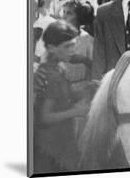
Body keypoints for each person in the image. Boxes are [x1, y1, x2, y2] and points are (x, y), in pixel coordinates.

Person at [33, 20, 89, 173]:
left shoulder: (59, 68)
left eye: (73, 45)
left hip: (63, 139)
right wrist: (76, 112)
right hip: (51, 147)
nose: (71, 50)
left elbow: (66, 97)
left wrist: (90, 89)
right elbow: (45, 116)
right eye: (67, 47)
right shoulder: (48, 75)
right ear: (51, 48)